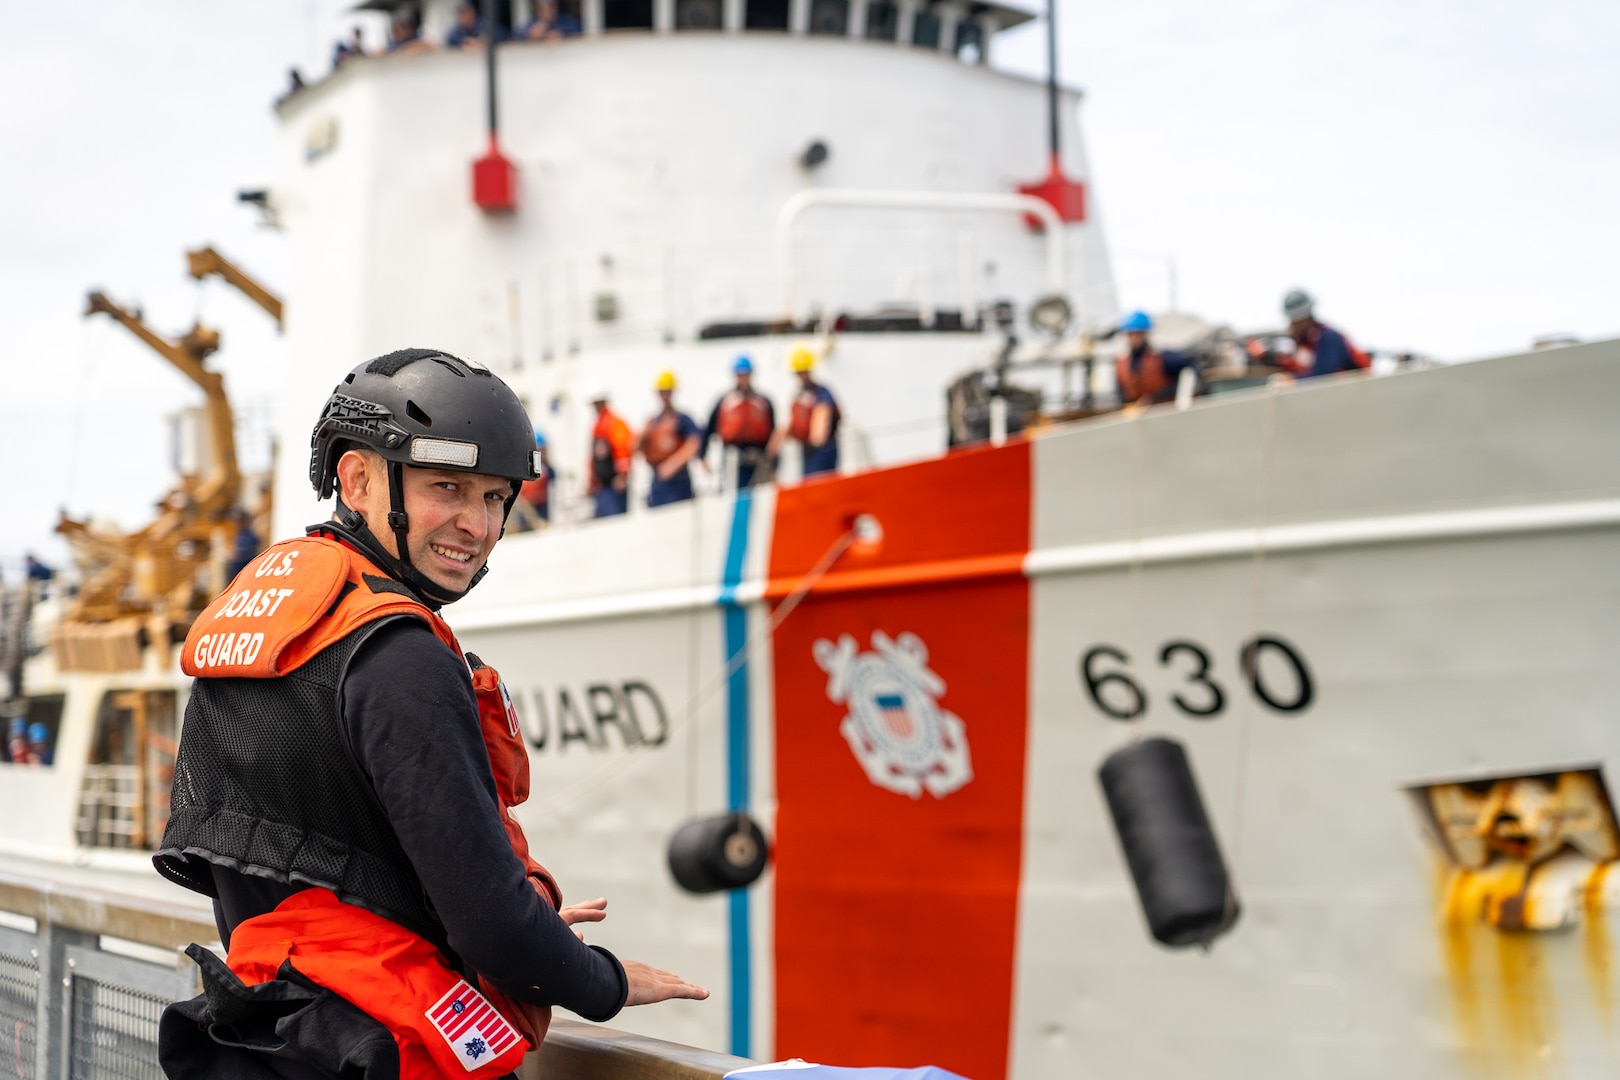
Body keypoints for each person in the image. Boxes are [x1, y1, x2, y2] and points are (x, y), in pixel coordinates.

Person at [153, 349, 706, 1078]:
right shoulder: (397, 655)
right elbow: (490, 924)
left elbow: (316, 872)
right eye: (448, 487)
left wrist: (506, 927)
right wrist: (599, 979)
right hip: (382, 1049)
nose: (475, 525)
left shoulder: (259, 630)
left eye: (494, 497)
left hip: (270, 1037)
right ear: (357, 478)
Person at [702, 356, 776, 489]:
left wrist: (774, 463)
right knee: (734, 493)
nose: (743, 379)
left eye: (745, 375)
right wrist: (703, 456)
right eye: (740, 375)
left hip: (759, 457)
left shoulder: (763, 402)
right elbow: (708, 429)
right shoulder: (724, 402)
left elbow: (773, 432)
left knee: (761, 493)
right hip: (733, 457)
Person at [770, 346, 840, 478]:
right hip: (806, 452)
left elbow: (822, 414)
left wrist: (816, 439)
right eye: (798, 372)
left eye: (804, 372)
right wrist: (773, 449)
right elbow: (789, 422)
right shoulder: (798, 396)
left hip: (823, 450)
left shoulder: (821, 392)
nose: (801, 376)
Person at [638, 372, 703, 508]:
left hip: (679, 479)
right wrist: (642, 436)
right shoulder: (652, 422)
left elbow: (693, 443)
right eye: (662, 392)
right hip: (658, 480)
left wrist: (672, 465)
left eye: (668, 392)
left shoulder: (683, 420)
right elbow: (636, 449)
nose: (665, 396)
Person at [1114, 310, 1197, 407]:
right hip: (1138, 416)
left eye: (1138, 333)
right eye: (1131, 334)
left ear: (1145, 334)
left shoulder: (1163, 357)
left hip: (1165, 410)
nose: (1134, 337)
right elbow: (1121, 395)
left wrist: (1161, 395)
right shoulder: (1122, 363)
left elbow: (1190, 371)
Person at [1281, 289, 1369, 379]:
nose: (1294, 325)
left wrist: (1293, 380)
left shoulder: (1329, 338)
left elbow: (1324, 375)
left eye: (1299, 321)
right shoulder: (1301, 344)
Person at [587, 388, 634, 518]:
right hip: (602, 487)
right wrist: (591, 480)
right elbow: (594, 457)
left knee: (615, 521)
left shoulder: (615, 423)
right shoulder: (597, 426)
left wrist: (622, 475)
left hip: (614, 484)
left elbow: (623, 449)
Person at [511, 431, 555, 530]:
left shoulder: (548, 469)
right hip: (526, 508)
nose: (542, 453)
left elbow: (552, 491)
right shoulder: (524, 470)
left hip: (542, 507)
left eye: (543, 450)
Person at [225, 507, 262, 581]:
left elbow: (246, 555)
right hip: (236, 575)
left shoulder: (250, 536)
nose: (236, 524)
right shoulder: (237, 535)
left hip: (246, 574)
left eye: (239, 521)